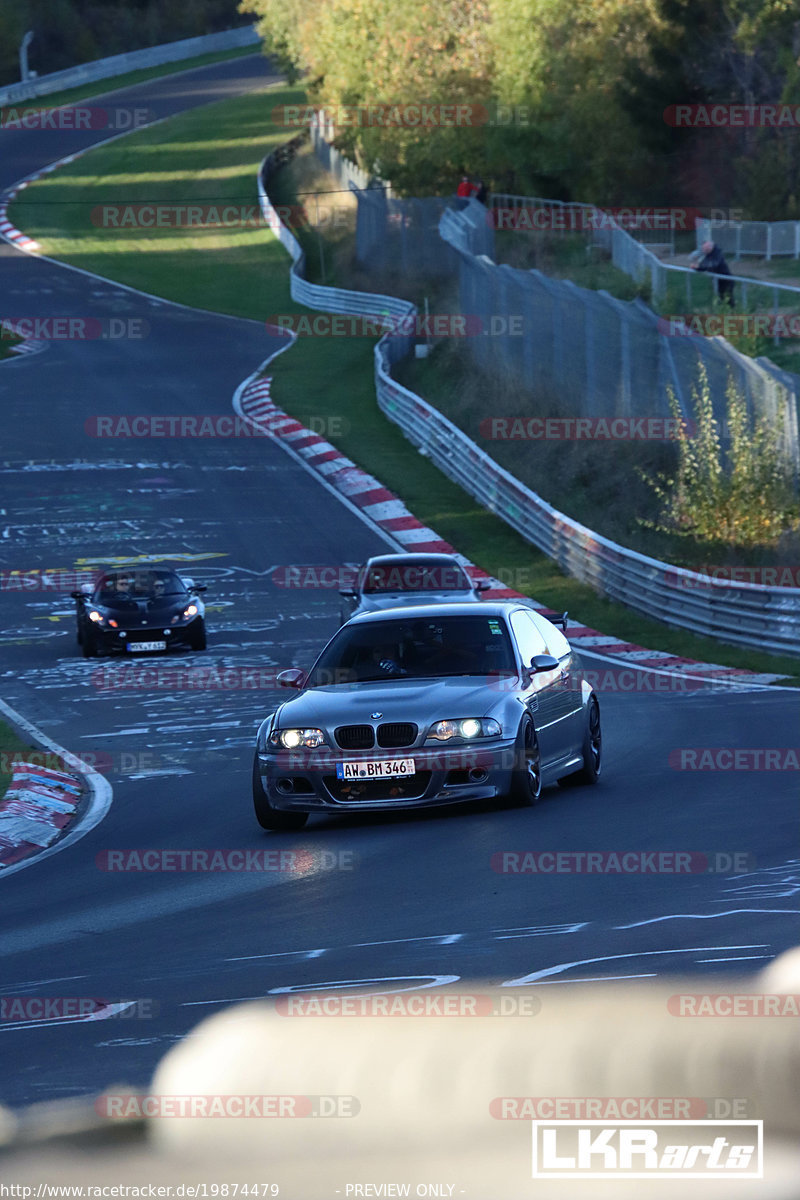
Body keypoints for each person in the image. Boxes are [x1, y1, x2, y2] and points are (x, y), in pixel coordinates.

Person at [691, 240, 735, 306]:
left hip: (726, 280)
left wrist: (699, 266)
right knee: (719, 298)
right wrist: (696, 267)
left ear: (710, 247)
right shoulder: (708, 254)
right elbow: (705, 265)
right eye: (703, 249)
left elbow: (714, 264)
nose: (704, 250)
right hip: (718, 281)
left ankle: (733, 312)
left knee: (728, 299)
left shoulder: (718, 253)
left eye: (705, 249)